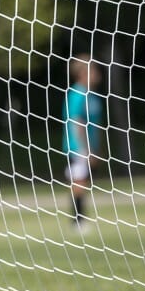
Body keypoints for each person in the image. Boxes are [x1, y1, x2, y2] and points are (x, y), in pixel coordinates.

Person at [63, 53, 104, 227]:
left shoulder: (92, 95)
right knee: (79, 181)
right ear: (82, 73)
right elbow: (76, 122)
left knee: (85, 182)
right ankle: (77, 221)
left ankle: (81, 219)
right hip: (77, 147)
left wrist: (98, 148)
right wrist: (84, 149)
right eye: (93, 70)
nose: (97, 74)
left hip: (90, 147)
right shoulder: (76, 94)